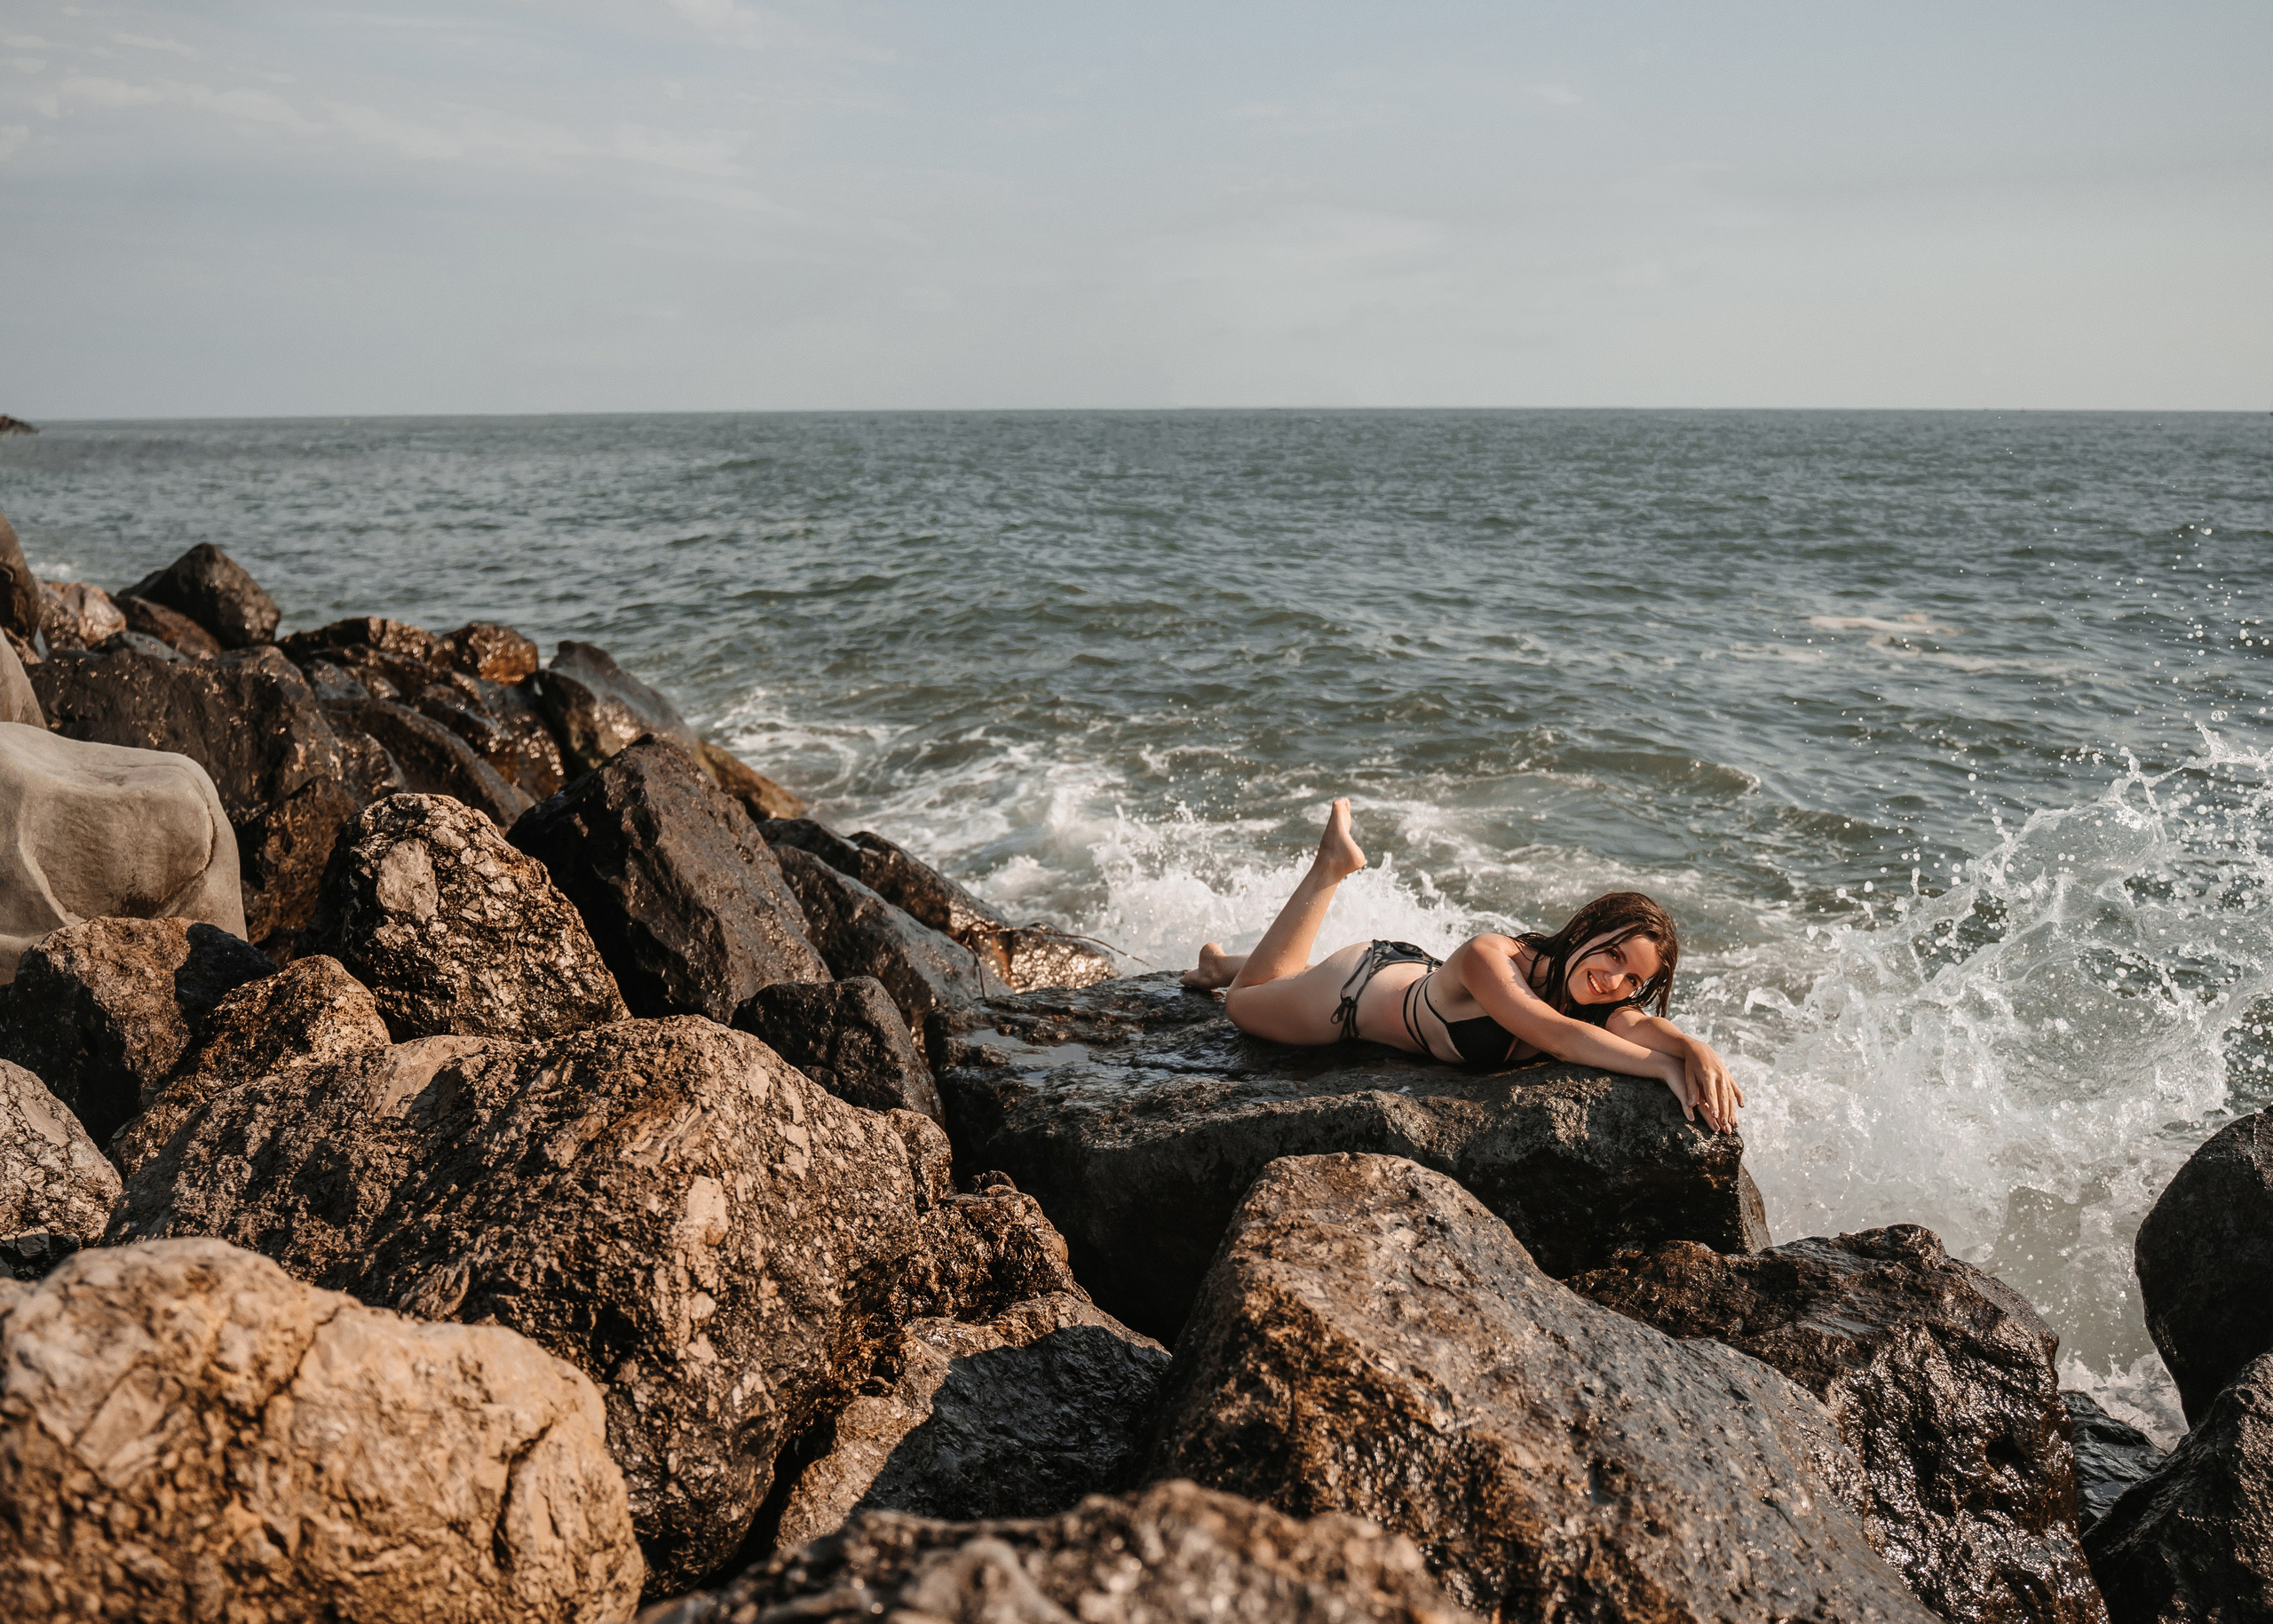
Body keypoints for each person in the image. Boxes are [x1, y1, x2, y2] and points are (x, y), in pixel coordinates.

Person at [1181, 797, 1743, 1132]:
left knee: (1262, 979)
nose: (1613, 981)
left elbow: (1643, 1028)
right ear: (1587, 929)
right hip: (1350, 993)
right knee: (1243, 1003)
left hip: (1417, 973)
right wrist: (1662, 1069)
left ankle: (1218, 962)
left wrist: (1695, 1050)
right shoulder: (1489, 955)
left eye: (1634, 980)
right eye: (1613, 955)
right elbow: (1559, 1037)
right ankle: (1328, 868)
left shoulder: (1595, 998)